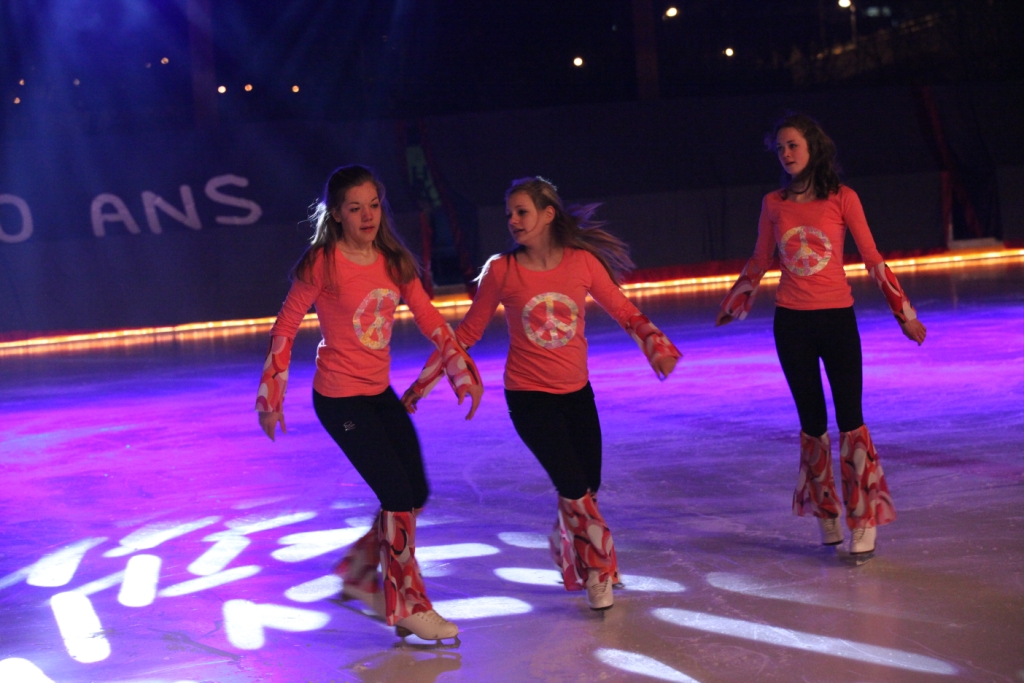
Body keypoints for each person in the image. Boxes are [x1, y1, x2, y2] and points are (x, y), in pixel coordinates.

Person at [403, 177, 681, 611]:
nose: (513, 221)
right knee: (573, 486)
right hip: (529, 399)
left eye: (522, 212)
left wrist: (657, 347)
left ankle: (573, 543)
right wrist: (423, 384)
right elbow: (468, 333)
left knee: (588, 487)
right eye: (509, 214)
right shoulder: (502, 270)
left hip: (577, 394)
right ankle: (597, 569)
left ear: (548, 214)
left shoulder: (582, 263)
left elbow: (624, 310)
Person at [255, 165, 483, 643]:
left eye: (374, 206)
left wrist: (460, 371)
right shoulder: (323, 262)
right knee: (397, 495)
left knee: (415, 493)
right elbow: (286, 326)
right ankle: (408, 605)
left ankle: (360, 569)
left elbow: (430, 318)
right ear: (337, 214)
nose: (367, 216)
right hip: (340, 401)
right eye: (355, 208)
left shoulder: (393, 260)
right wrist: (271, 395)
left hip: (378, 394)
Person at [715, 113, 927, 557]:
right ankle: (826, 511)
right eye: (780, 148)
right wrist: (736, 301)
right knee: (812, 424)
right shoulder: (773, 203)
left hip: (837, 321)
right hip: (792, 325)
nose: (786, 154)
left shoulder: (843, 198)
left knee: (851, 419)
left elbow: (872, 258)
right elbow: (760, 259)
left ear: (813, 147)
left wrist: (903, 313)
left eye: (792, 145)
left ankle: (863, 517)